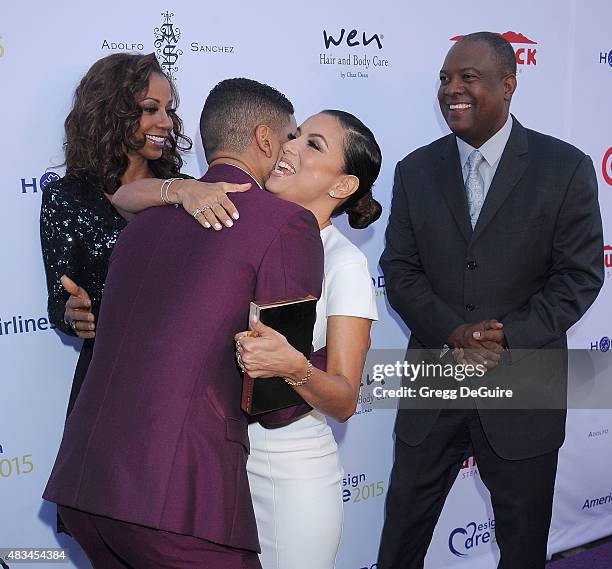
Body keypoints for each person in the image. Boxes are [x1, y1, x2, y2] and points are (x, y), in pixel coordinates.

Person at [43, 79, 323, 568]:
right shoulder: (285, 224)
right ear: (264, 139)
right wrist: (330, 365)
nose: (292, 150)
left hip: (88, 486)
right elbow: (276, 403)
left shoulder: (141, 224)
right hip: (176, 501)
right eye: (290, 137)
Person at [114, 108, 383, 569]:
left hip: (289, 471)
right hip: (217, 464)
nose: (290, 146)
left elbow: (343, 398)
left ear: (341, 187)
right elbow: (123, 198)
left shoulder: (345, 264)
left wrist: (294, 366)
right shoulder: (237, 218)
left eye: (312, 145)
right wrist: (181, 189)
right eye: (295, 135)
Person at [378, 32, 604, 569]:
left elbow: (579, 276)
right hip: (435, 376)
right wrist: (452, 332)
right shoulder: (415, 169)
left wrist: (509, 336)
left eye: (467, 78)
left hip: (524, 385)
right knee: (401, 539)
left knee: (523, 546)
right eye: (444, 78)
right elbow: (399, 268)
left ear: (509, 85)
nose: (451, 89)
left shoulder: (565, 167)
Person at [40, 52, 245, 420]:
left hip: (181, 376)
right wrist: (73, 315)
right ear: (111, 112)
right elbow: (59, 298)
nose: (165, 122)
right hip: (107, 377)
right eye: (151, 109)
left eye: (168, 110)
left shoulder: (188, 191)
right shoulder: (67, 196)